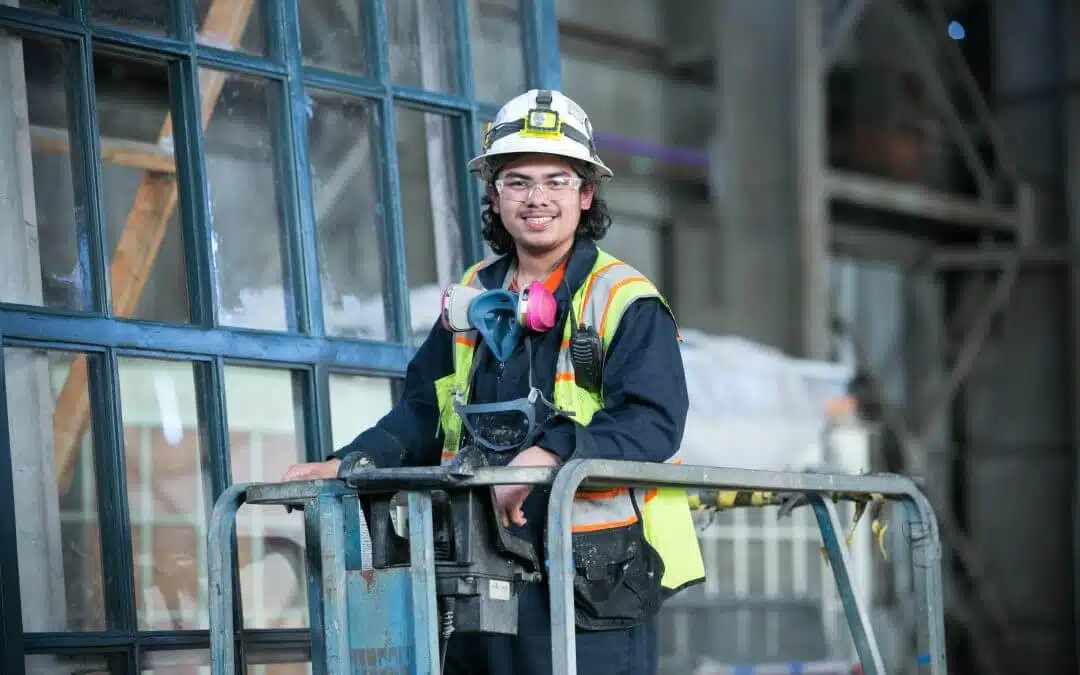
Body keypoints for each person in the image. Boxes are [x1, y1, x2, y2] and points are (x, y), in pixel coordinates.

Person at [281, 89, 704, 674]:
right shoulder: (474, 295)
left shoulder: (623, 300)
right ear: (496, 195)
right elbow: (426, 410)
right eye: (517, 181)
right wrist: (354, 461)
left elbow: (653, 422)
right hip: (478, 573)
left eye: (556, 181)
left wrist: (544, 458)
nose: (537, 199)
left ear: (585, 196)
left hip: (591, 584)